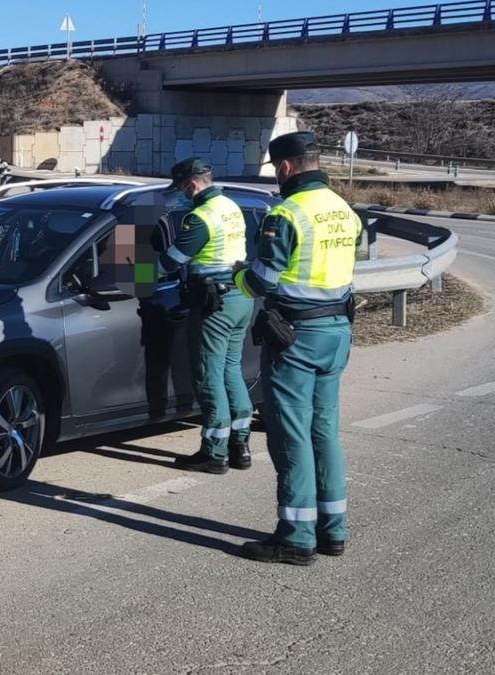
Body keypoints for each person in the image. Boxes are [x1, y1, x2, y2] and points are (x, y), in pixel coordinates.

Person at [234, 131, 364, 565]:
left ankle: (295, 537)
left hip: (296, 337)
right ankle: (334, 531)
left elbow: (260, 281)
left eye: (276, 169)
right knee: (324, 432)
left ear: (286, 166)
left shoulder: (287, 214)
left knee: (290, 437)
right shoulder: (343, 210)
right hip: (337, 332)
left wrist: (235, 276)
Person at [153, 158, 254, 474]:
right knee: (231, 370)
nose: (181, 196)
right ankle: (241, 446)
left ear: (192, 185)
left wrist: (137, 263)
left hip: (213, 302)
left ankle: (214, 452)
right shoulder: (230, 206)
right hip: (240, 296)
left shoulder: (200, 218)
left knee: (209, 375)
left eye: (181, 189)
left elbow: (170, 263)